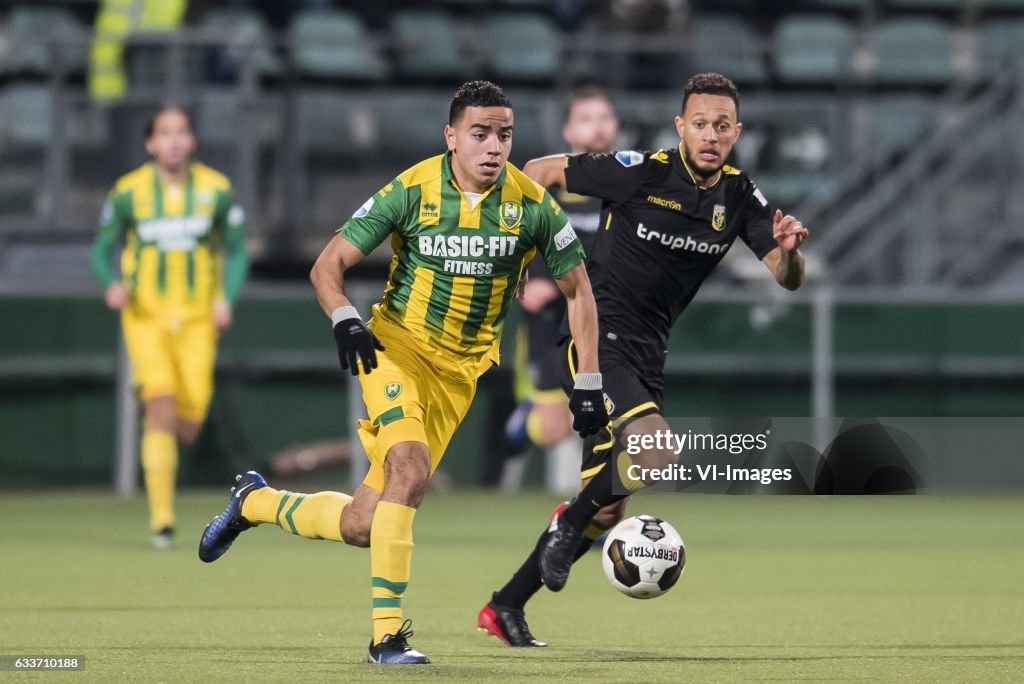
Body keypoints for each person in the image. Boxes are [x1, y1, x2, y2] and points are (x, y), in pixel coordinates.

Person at [197, 81, 609, 666]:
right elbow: (328, 265)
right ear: (451, 137)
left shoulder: (531, 205)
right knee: (410, 469)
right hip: (393, 350)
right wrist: (345, 320)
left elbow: (580, 291)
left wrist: (588, 384)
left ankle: (254, 503)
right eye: (480, 133)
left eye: (505, 135)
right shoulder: (411, 189)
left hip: (460, 374)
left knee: (365, 524)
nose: (494, 146)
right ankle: (387, 637)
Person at [479, 72, 809, 647]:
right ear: (681, 127)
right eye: (700, 123)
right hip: (595, 339)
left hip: (647, 355)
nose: (710, 135)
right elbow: (537, 173)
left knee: (607, 511)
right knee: (656, 454)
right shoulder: (639, 171)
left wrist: (789, 254)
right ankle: (568, 522)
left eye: (722, 126)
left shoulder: (737, 196)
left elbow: (786, 280)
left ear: (738, 132)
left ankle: (505, 606)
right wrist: (525, 257)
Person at [90, 106, 249, 548]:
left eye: (181, 132)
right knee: (160, 403)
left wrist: (225, 299)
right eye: (165, 133)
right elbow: (102, 247)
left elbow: (235, 250)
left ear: (192, 141)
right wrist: (111, 285)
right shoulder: (128, 192)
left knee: (189, 423)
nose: (174, 140)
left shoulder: (216, 190)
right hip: (147, 316)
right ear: (151, 143)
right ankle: (162, 520)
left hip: (198, 319)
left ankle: (159, 422)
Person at [504, 85, 619, 490]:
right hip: (550, 323)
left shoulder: (625, 187)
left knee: (608, 417)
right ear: (570, 130)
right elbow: (518, 237)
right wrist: (532, 281)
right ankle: (527, 421)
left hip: (606, 318)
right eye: (587, 118)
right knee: (554, 429)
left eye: (605, 117)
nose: (598, 128)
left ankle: (595, 514)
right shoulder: (545, 184)